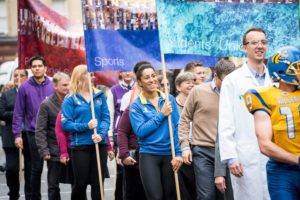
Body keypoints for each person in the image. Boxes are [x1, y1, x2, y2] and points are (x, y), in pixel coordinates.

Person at [218, 27, 271, 200]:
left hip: (274, 154)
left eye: (263, 42)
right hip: (245, 155)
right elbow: (225, 122)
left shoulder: (276, 80)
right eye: (254, 42)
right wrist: (231, 157)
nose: (259, 46)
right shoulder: (233, 80)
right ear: (244, 48)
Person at [244, 46, 300, 200]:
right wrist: (298, 160)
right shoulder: (264, 95)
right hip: (282, 171)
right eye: (297, 67)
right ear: (282, 71)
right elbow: (264, 145)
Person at [179, 60, 235, 200]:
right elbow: (184, 119)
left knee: (228, 195)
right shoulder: (198, 91)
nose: (229, 84)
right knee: (206, 196)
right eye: (225, 81)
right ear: (215, 76)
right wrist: (185, 146)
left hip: (228, 151)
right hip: (203, 151)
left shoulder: (235, 93)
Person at [129, 63, 183, 200]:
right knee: (156, 197)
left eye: (153, 76)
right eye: (147, 78)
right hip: (149, 155)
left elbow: (177, 127)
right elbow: (140, 131)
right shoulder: (136, 105)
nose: (152, 80)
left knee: (170, 196)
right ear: (140, 82)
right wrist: (161, 114)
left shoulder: (168, 99)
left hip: (170, 155)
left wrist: (178, 153)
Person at [61, 64, 110, 200]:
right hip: (80, 145)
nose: (93, 77)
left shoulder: (99, 95)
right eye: (90, 74)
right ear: (81, 77)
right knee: (80, 183)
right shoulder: (70, 98)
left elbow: (106, 118)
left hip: (99, 144)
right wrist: (86, 126)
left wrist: (101, 134)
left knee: (98, 183)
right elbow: (66, 124)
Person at [13, 56, 55, 200]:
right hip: (33, 133)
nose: (37, 68)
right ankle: (34, 197)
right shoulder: (24, 87)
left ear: (45, 68)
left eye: (39, 66)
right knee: (36, 168)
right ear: (31, 69)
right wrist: (17, 134)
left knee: (53, 168)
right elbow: (18, 112)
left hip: (53, 133)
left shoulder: (52, 85)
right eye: (34, 66)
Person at [35, 72, 70, 200]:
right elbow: (40, 130)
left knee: (77, 183)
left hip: (73, 148)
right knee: (53, 185)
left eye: (69, 84)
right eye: (64, 85)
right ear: (55, 86)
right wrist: (44, 150)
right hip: (54, 150)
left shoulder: (74, 101)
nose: (68, 87)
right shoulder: (47, 104)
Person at [0, 69, 31, 200]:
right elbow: (1, 113)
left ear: (27, 78)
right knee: (12, 168)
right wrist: (18, 113)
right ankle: (13, 193)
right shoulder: (6, 95)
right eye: (16, 76)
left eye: (21, 75)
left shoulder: (32, 93)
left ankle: (30, 195)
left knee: (31, 168)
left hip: (29, 135)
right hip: (11, 136)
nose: (18, 78)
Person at [107, 70, 135, 200]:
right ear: (120, 74)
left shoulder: (139, 89)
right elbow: (110, 115)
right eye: (124, 71)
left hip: (136, 135)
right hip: (120, 134)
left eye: (130, 71)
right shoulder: (114, 90)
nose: (127, 73)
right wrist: (110, 138)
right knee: (120, 171)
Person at [174, 72, 197, 200]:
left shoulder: (197, 101)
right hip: (178, 149)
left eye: (193, 82)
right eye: (188, 82)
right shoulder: (171, 105)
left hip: (196, 146)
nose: (191, 85)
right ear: (178, 87)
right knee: (183, 189)